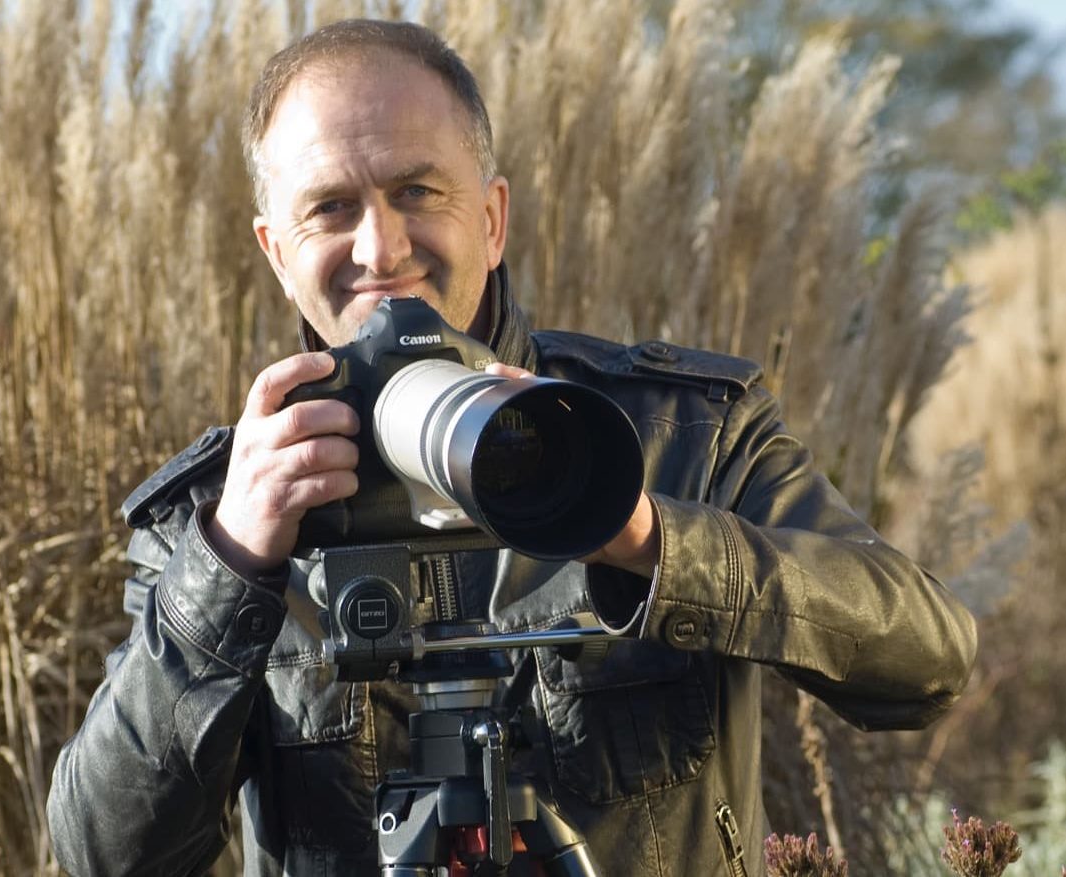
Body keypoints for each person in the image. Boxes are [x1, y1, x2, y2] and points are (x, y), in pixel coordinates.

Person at [47, 18, 978, 877]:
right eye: (329, 207)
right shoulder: (217, 512)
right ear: (275, 250)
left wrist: (650, 537)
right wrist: (232, 563)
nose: (381, 244)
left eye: (417, 190)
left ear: (491, 219)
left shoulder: (677, 430)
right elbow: (104, 851)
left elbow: (926, 657)